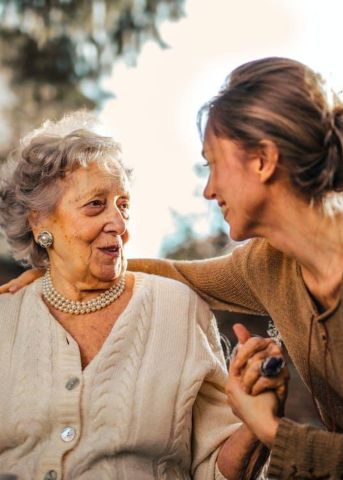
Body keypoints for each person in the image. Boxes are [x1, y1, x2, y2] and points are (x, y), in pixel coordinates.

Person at [4, 57, 343, 478]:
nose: (208, 189)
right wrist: (59, 270)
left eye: (213, 164)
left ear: (263, 161)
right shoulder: (266, 266)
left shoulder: (192, 306)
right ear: (40, 223)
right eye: (95, 204)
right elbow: (180, 273)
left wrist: (269, 428)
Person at [0, 112, 277, 480]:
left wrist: (256, 424)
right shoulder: (7, 317)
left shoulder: (178, 309)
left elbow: (215, 469)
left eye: (123, 205)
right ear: (39, 223)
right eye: (96, 204)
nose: (118, 224)